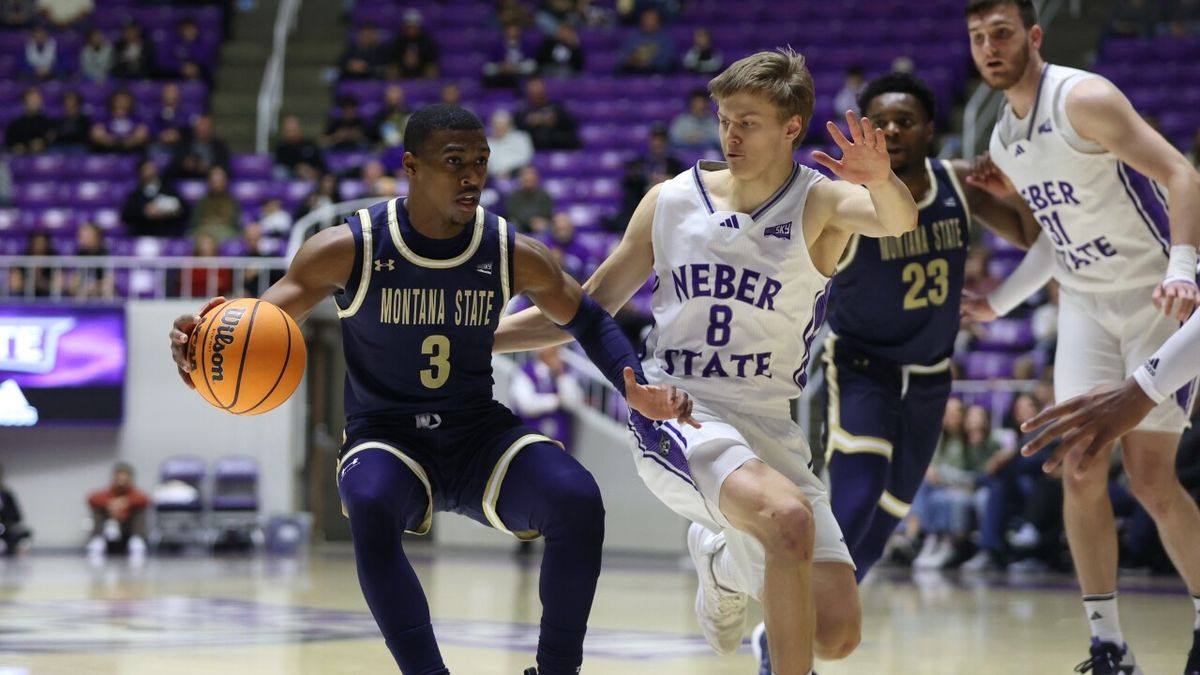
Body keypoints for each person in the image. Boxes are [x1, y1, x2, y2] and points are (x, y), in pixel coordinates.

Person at [167, 104, 696, 675]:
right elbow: (255, 326)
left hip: (477, 433)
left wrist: (633, 385)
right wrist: (200, 350)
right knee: (369, 503)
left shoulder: (505, 250)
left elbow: (587, 317)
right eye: (454, 162)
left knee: (577, 500)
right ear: (411, 166)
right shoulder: (349, 247)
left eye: (480, 162)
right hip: (385, 437)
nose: (472, 176)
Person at [494, 48, 919, 675]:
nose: (731, 133)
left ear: (791, 127)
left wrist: (880, 179)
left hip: (770, 423)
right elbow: (590, 307)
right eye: (725, 118)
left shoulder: (820, 202)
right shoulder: (670, 200)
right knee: (787, 520)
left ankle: (720, 561)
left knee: (837, 634)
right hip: (678, 410)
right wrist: (483, 339)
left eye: (747, 120)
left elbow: (898, 221)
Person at [958, 1, 1200, 672]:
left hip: (1153, 294)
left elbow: (1182, 173)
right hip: (1087, 306)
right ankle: (1108, 643)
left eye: (1001, 32)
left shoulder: (1084, 98)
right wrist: (999, 302)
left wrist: (1184, 269)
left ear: (1032, 35)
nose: (990, 47)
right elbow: (1055, 242)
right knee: (1081, 467)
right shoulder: (1006, 138)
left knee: (1152, 482)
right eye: (978, 38)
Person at [816, 71, 1039, 583]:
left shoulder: (958, 182)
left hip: (931, 373)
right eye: (881, 122)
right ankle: (789, 632)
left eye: (905, 121)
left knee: (891, 510)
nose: (892, 130)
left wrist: (1015, 188)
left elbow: (1030, 234)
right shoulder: (843, 199)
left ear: (928, 130)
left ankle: (810, 617)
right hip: (861, 365)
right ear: (863, 131)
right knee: (860, 489)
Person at [86, 462, 150, 557]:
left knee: (139, 510)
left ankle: (137, 540)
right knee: (98, 510)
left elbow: (144, 499)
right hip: (108, 527)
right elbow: (92, 498)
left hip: (127, 530)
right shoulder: (108, 492)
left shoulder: (133, 493)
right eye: (120, 476)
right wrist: (110, 504)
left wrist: (126, 502)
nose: (122, 479)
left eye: (125, 476)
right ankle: (97, 539)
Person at [0, 462, 32, 556]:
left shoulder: (6, 494)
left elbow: (17, 516)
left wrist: (3, 515)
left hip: (4, 528)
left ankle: (11, 547)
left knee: (24, 533)